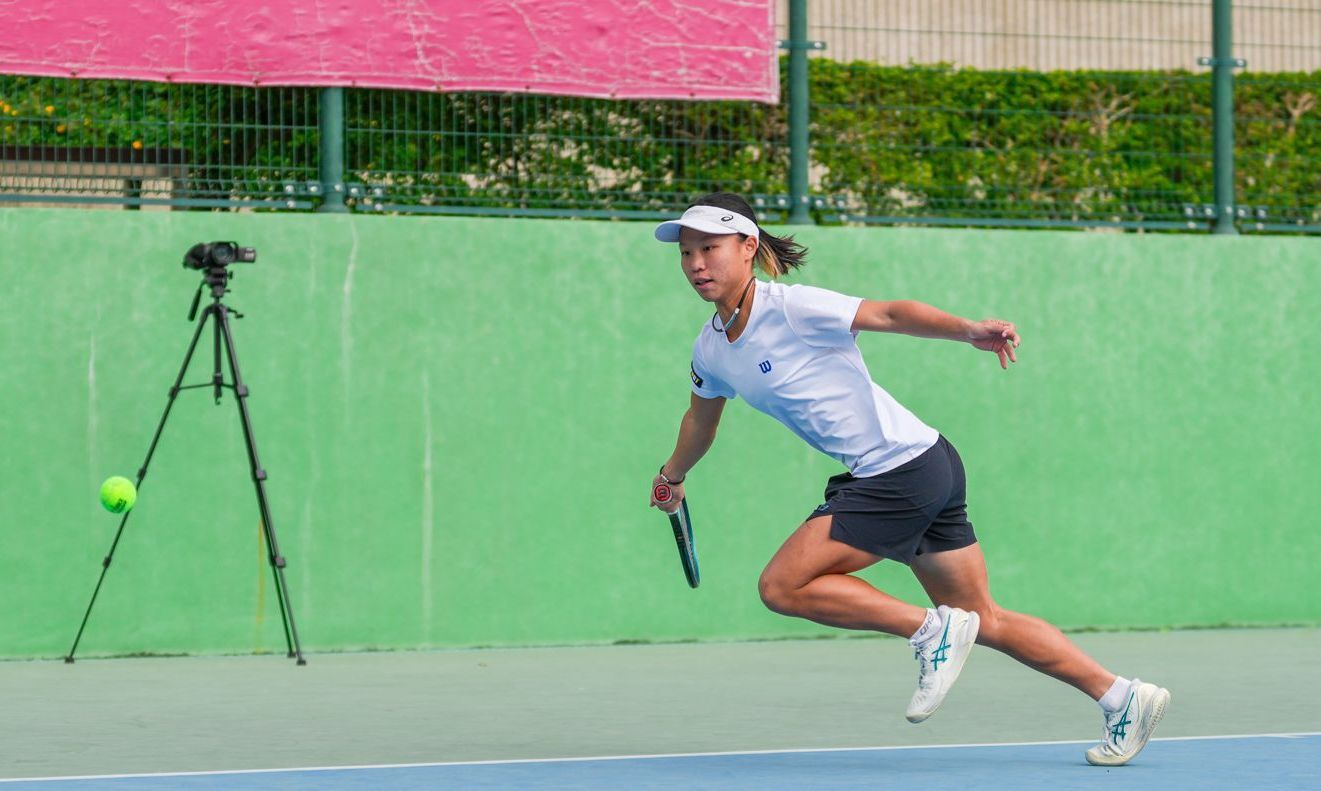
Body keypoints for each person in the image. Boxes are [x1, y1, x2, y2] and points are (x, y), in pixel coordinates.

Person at [648, 192, 1169, 766]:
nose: (697, 263)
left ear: (748, 247)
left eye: (710, 248)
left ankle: (929, 632)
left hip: (900, 470)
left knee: (783, 587)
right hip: (925, 463)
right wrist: (672, 475)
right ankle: (1123, 697)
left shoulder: (792, 307)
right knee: (984, 620)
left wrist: (967, 329)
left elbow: (889, 313)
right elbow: (701, 418)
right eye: (688, 252)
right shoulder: (711, 349)